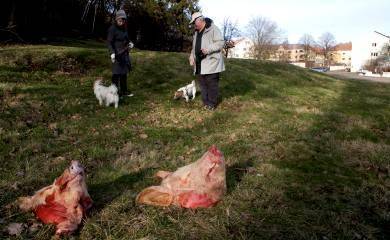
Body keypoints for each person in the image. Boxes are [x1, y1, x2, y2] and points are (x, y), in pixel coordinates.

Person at [189, 12, 225, 111]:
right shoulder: (196, 32)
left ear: (200, 20)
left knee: (211, 85)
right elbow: (194, 47)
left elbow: (221, 42)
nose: (193, 25)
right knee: (202, 84)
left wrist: (208, 49)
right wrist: (192, 56)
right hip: (199, 63)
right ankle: (205, 103)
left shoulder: (213, 28)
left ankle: (211, 104)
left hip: (212, 63)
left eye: (194, 23)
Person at [107, 9, 134, 97]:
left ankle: (124, 91)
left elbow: (127, 39)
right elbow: (109, 42)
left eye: (123, 19)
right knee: (116, 75)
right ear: (116, 19)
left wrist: (130, 43)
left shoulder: (124, 28)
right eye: (120, 19)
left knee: (124, 74)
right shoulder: (112, 29)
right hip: (116, 54)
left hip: (124, 54)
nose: (121, 21)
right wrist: (112, 53)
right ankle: (114, 93)